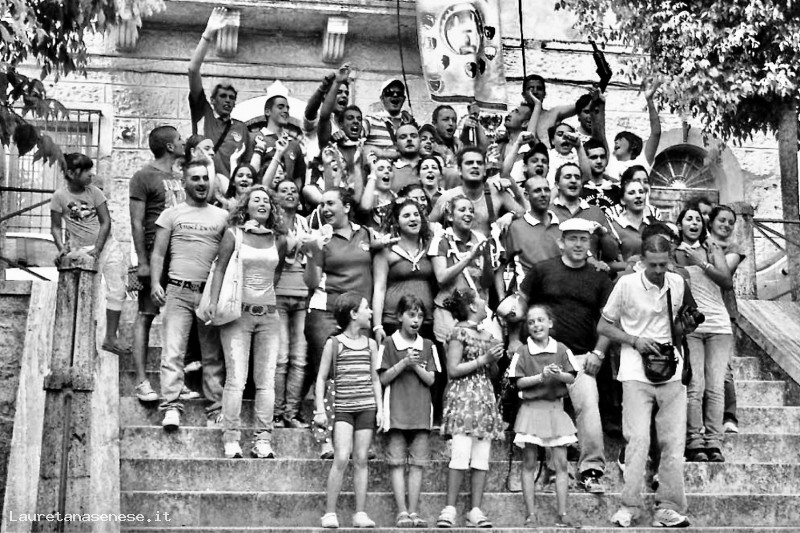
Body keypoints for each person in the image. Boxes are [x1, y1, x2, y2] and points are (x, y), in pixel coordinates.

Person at [598, 234, 691, 528]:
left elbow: (678, 328)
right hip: (635, 371)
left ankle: (668, 507)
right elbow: (604, 326)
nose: (659, 271)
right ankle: (629, 506)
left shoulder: (678, 283)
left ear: (670, 259)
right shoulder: (626, 284)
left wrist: (685, 327)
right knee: (637, 439)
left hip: (671, 370)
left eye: (664, 264)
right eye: (653, 265)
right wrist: (634, 340)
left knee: (673, 442)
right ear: (641, 261)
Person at [518, 217, 614, 494]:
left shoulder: (599, 277)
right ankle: (552, 472)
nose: (578, 244)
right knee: (550, 411)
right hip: (545, 356)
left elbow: (610, 320)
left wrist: (599, 352)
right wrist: (515, 340)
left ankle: (591, 470)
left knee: (589, 408)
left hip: (583, 357)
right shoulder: (542, 270)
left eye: (584, 239)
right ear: (561, 242)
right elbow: (521, 304)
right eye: (573, 239)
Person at [205, 186, 287, 458]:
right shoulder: (234, 234)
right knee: (236, 379)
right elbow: (219, 268)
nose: (262, 203)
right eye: (256, 199)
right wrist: (213, 302)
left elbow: (276, 274)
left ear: (272, 208)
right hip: (238, 314)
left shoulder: (278, 238)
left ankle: (263, 438)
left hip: (269, 315)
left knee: (266, 381)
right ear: (246, 206)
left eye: (266, 200)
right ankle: (231, 437)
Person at [150, 160, 228, 430]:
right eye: (195, 178)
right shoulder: (171, 214)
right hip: (178, 290)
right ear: (184, 183)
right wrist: (155, 284)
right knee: (173, 352)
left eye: (205, 178)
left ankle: (216, 408)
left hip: (209, 294)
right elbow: (158, 253)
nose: (201, 183)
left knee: (212, 354)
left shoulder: (222, 216)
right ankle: (171, 406)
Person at [304, 188, 376, 456]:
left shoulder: (366, 233)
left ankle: (358, 440)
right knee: (327, 374)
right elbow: (311, 282)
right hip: (325, 311)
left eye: (330, 203)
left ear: (346, 207)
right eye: (322, 204)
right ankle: (324, 438)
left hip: (359, 314)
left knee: (358, 375)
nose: (324, 209)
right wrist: (313, 252)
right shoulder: (319, 237)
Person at [435, 288, 505, 529]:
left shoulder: (487, 335)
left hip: (484, 398)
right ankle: (450, 508)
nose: (485, 302)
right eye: (480, 299)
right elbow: (453, 369)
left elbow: (492, 373)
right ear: (473, 307)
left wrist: (493, 361)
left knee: (481, 457)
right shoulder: (458, 333)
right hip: (463, 398)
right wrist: (483, 359)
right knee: (460, 453)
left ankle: (475, 509)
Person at [315, 293, 383, 529]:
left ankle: (360, 513)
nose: (370, 312)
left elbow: (375, 379)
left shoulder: (371, 344)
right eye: (366, 308)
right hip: (342, 409)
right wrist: (320, 409)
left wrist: (380, 409)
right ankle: (329, 513)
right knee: (342, 457)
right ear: (354, 314)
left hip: (366, 407)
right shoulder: (334, 343)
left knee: (362, 459)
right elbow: (321, 378)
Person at [129, 125, 185, 402]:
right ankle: (141, 381)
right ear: (170, 147)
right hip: (153, 251)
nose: (184, 142)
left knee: (179, 317)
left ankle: (176, 381)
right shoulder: (143, 177)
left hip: (180, 253)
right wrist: (142, 262)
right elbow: (136, 222)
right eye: (179, 139)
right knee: (146, 314)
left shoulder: (181, 177)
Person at [509, 304, 579, 528]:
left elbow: (572, 377)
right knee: (529, 462)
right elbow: (518, 382)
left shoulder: (561, 349)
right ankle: (530, 514)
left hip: (555, 410)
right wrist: (541, 376)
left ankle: (563, 513)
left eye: (540, 320)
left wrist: (558, 375)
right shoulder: (522, 351)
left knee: (561, 463)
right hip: (531, 410)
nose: (536, 325)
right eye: (531, 322)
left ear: (550, 322)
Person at [673, 206, 734, 463]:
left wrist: (702, 262)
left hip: (719, 326)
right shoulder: (673, 252)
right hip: (691, 326)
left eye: (698, 219)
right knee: (695, 385)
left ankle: (714, 442)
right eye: (688, 219)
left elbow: (727, 282)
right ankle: (694, 441)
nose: (694, 223)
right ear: (680, 225)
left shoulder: (712, 249)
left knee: (716, 387)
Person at [51, 153, 127, 355]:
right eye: (85, 171)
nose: (90, 174)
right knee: (88, 294)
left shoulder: (95, 192)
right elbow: (55, 227)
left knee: (117, 290)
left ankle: (110, 338)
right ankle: (84, 340)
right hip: (82, 252)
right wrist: (61, 247)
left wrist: (98, 248)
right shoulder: (59, 197)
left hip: (106, 247)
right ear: (70, 173)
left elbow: (106, 222)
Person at [378, 295, 439, 528]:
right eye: (411, 315)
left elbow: (431, 380)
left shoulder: (428, 345)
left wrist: (414, 365)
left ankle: (413, 511)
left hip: (421, 414)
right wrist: (403, 362)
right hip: (395, 412)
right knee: (396, 462)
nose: (416, 320)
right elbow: (383, 378)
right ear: (399, 316)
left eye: (420, 316)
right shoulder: (388, 343)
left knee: (418, 464)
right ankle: (401, 511)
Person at [188, 7, 251, 177]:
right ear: (213, 100)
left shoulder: (241, 128)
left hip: (229, 188)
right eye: (223, 96)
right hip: (203, 182)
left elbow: (247, 164)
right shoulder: (203, 113)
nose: (227, 100)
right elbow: (193, 70)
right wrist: (208, 34)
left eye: (231, 97)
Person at [273, 180, 311, 429]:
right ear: (275, 196)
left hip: (303, 294)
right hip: (277, 294)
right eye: (284, 190)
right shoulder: (271, 223)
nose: (289, 193)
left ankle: (292, 413)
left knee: (299, 359)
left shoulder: (305, 223)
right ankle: (276, 413)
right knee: (281, 358)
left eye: (293, 190)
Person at [372, 198, 436, 345]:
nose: (413, 219)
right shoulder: (386, 251)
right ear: (397, 221)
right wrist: (377, 326)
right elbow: (379, 289)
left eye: (416, 214)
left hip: (425, 320)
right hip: (393, 320)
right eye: (406, 216)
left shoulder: (430, 247)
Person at [430, 147, 526, 238]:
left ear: (484, 170)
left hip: (489, 247)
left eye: (479, 163)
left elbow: (524, 215)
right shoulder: (448, 197)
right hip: (458, 248)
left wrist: (511, 215)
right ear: (459, 170)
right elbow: (428, 225)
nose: (475, 166)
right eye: (469, 163)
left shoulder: (496, 191)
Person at [550, 162, 619, 264]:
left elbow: (613, 254)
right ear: (557, 185)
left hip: (589, 271)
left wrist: (603, 235)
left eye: (577, 177)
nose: (573, 180)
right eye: (568, 177)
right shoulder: (548, 212)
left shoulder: (596, 212)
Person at [503, 175, 561, 279]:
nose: (543, 194)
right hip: (528, 287)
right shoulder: (515, 228)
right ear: (526, 195)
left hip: (560, 286)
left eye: (546, 190)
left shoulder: (563, 225)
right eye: (537, 191)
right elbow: (501, 265)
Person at [250, 94, 306, 191]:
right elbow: (249, 172)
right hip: (262, 195)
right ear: (268, 111)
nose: (286, 111)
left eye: (287, 108)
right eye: (280, 107)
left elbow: (298, 176)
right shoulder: (254, 138)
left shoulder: (294, 144)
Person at [609, 168, 655, 272]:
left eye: (641, 192)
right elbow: (609, 263)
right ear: (622, 200)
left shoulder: (653, 224)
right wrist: (630, 266)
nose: (638, 196)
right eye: (631, 193)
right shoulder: (614, 227)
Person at [521, 74, 576, 149]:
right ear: (523, 94)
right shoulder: (516, 118)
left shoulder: (553, 113)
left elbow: (580, 106)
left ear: (544, 94)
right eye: (531, 88)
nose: (535, 92)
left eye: (539, 88)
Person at [363, 79, 413, 160]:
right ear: (382, 98)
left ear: (403, 99)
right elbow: (353, 141)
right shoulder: (370, 121)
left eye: (399, 93)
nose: (395, 95)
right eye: (389, 93)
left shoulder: (409, 124)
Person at [581, 138, 622, 219]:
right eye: (594, 157)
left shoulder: (616, 190)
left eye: (602, 157)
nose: (599, 161)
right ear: (585, 160)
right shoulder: (579, 189)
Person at [392, 124, 422, 193]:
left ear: (420, 141)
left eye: (413, 136)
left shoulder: (433, 168)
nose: (409, 139)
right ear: (395, 144)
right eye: (403, 137)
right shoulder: (389, 172)